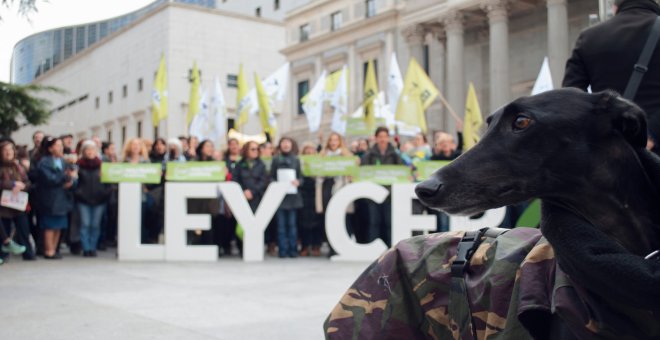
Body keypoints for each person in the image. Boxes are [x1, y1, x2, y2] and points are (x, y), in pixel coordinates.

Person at [563, 0, 660, 154]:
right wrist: (651, 134)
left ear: (614, 7)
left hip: (611, 153)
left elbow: (570, 98)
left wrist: (600, 135)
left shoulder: (588, 37)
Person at [34, 136, 77, 259]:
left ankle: (54, 248)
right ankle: (48, 250)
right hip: (50, 198)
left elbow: (72, 177)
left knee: (59, 225)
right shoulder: (44, 162)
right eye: (57, 146)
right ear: (50, 148)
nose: (60, 148)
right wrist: (64, 177)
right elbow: (49, 179)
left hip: (63, 197)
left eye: (61, 145)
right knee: (49, 225)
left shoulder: (64, 161)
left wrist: (71, 181)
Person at [360, 127, 403, 247]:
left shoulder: (395, 154)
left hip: (390, 193)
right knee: (374, 221)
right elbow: (363, 171)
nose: (383, 139)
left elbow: (402, 171)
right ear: (376, 138)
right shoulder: (369, 154)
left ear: (388, 138)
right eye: (380, 137)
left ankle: (391, 247)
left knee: (389, 221)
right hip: (373, 194)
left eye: (385, 136)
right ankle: (373, 247)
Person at [75, 141, 111, 257]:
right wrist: (78, 193)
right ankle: (86, 248)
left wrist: (105, 193)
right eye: (87, 149)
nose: (90, 152)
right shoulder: (79, 165)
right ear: (83, 151)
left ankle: (93, 247)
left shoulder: (102, 165)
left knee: (95, 224)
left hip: (99, 199)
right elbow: (76, 183)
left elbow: (109, 183)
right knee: (85, 224)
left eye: (92, 149)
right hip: (83, 199)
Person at [0, 139, 34, 260]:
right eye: (5, 150)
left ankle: (28, 253)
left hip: (19, 202)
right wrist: (12, 185)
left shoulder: (18, 166)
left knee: (24, 228)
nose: (8, 152)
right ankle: (3, 255)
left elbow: (28, 181)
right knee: (5, 228)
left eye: (10, 150)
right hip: (4, 204)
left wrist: (22, 186)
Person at [232, 141, 267, 255]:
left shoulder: (261, 165)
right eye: (252, 149)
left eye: (257, 149)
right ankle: (242, 248)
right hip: (242, 198)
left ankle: (254, 248)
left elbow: (263, 181)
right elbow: (235, 179)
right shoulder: (239, 164)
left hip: (256, 198)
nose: (255, 151)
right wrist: (243, 191)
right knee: (241, 225)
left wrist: (252, 191)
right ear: (246, 150)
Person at [270, 137, 303, 258]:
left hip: (293, 198)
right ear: (280, 145)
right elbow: (271, 177)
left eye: (288, 143)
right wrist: (277, 183)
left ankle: (293, 250)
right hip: (280, 198)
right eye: (283, 143)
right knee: (281, 226)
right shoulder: (276, 160)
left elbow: (301, 177)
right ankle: (283, 251)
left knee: (292, 225)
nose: (285, 145)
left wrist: (298, 182)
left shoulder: (296, 160)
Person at [298, 142, 324, 257]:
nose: (309, 152)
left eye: (311, 149)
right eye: (306, 150)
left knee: (317, 221)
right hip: (303, 194)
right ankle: (305, 245)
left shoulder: (320, 162)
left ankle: (316, 245)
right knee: (303, 222)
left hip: (316, 194)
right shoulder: (299, 162)